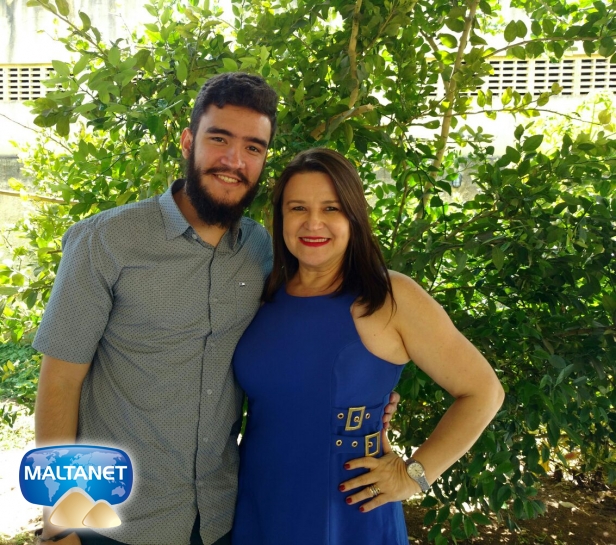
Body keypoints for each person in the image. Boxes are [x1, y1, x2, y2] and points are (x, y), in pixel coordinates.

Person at [32, 73, 398, 545]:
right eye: (219, 139)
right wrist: (58, 523)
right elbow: (59, 383)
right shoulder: (106, 240)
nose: (234, 161)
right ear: (188, 142)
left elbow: (303, 342)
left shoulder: (263, 250)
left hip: (223, 518)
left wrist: (367, 398)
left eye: (252, 147)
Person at [231, 148, 505, 544]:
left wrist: (415, 475)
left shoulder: (390, 296)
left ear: (354, 216)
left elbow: (483, 391)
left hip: (347, 510)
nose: (313, 222)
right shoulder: (263, 294)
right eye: (297, 208)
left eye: (331, 208)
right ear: (281, 217)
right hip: (260, 500)